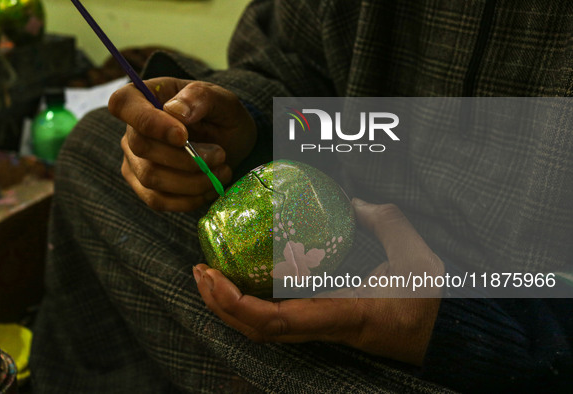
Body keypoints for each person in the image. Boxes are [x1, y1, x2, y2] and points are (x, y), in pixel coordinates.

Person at [30, 0, 573, 392]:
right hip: (347, 221)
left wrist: (471, 330)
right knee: (93, 150)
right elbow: (291, 57)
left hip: (524, 314)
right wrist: (247, 128)